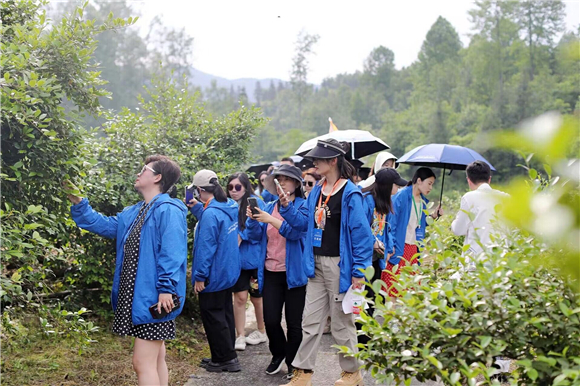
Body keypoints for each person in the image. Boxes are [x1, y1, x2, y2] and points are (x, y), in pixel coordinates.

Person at [65, 155, 187, 386]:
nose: (138, 174)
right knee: (156, 358)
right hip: (141, 296)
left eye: (144, 170)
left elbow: (173, 253)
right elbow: (103, 224)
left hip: (155, 297)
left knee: (142, 363)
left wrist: (166, 290)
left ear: (157, 177)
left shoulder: (168, 209)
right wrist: (78, 201)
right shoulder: (135, 211)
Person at [278, 139, 374, 386]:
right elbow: (302, 224)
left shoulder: (351, 193)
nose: (314, 163)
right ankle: (304, 374)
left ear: (333, 161)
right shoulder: (317, 191)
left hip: (340, 266)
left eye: (319, 159)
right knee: (309, 321)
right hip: (316, 264)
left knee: (342, 323)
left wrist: (359, 272)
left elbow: (362, 236)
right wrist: (286, 206)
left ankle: (352, 373)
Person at [245, 165, 308, 380]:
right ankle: (279, 353)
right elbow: (254, 236)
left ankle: (293, 362)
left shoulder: (302, 207)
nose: (281, 183)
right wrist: (252, 219)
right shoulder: (269, 205)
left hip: (294, 274)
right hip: (270, 271)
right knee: (270, 320)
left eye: (286, 179)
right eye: (278, 179)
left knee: (294, 324)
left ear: (297, 184)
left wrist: (270, 219)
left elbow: (295, 231)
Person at [187, 170, 242, 372]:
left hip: (214, 273)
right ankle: (228, 354)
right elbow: (215, 222)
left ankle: (224, 359)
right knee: (225, 313)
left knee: (213, 315)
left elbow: (205, 248)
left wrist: (199, 277)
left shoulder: (211, 213)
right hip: (227, 271)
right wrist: (197, 209)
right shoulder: (227, 206)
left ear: (200, 190)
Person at [359, 168, 407, 344]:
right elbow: (361, 227)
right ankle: (361, 338)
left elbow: (385, 228)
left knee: (372, 297)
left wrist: (390, 246)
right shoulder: (366, 201)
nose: (398, 188)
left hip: (376, 259)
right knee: (363, 298)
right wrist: (374, 241)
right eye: (396, 185)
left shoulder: (384, 203)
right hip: (364, 259)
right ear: (387, 186)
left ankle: (366, 335)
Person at [383, 167, 441, 296]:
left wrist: (433, 216)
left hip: (413, 248)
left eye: (432, 184)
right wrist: (390, 247)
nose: (430, 188)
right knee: (393, 288)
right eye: (429, 183)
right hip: (398, 247)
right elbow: (391, 225)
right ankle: (391, 315)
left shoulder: (423, 202)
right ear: (419, 181)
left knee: (411, 288)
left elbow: (419, 224)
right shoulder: (401, 197)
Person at [227, 172, 268, 351]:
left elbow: (261, 231)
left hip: (255, 258)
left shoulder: (256, 202)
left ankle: (261, 330)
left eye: (238, 187)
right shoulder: (228, 205)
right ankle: (240, 334)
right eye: (230, 187)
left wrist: (242, 235)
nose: (234, 191)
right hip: (237, 260)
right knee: (240, 298)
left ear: (245, 187)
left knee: (257, 297)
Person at [451, 161, 509, 266]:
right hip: (502, 262)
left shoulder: (469, 198)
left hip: (477, 262)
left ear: (468, 180)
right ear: (489, 179)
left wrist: (454, 222)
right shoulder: (505, 197)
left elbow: (458, 230)